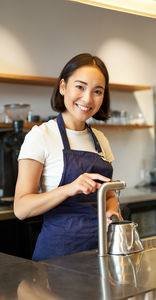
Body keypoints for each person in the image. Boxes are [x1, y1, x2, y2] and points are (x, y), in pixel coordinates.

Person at [14, 53, 120, 261]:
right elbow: (21, 208)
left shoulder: (100, 140)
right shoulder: (41, 136)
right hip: (58, 259)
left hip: (101, 252)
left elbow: (109, 195)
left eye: (97, 91)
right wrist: (70, 188)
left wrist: (112, 213)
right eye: (80, 87)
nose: (88, 99)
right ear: (63, 87)